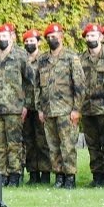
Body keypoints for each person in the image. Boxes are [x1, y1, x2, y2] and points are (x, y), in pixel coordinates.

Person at [0, 24, 35, 188]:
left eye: (4, 36)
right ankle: (2, 174)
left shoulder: (20, 57)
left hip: (14, 108)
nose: (1, 40)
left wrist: (26, 104)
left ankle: (15, 174)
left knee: (14, 143)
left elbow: (31, 82)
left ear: (11, 38)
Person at [37, 23, 84, 188]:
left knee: (68, 145)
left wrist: (77, 109)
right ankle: (59, 175)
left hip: (66, 110)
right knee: (53, 146)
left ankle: (70, 176)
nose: (52, 39)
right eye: (49, 37)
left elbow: (79, 85)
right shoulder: (42, 60)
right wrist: (40, 109)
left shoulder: (71, 58)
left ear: (61, 37)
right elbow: (38, 86)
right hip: (48, 110)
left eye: (54, 36)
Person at [79, 23, 104, 186]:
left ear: (100, 38)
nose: (90, 39)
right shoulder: (80, 59)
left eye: (93, 36)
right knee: (92, 145)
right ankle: (97, 175)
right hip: (87, 109)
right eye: (87, 36)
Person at [22, 29, 49, 185]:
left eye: (32, 41)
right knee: (29, 141)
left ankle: (45, 173)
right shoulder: (22, 60)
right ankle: (33, 173)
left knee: (42, 141)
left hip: (41, 106)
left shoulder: (44, 60)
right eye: (26, 41)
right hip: (26, 107)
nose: (29, 44)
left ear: (38, 42)